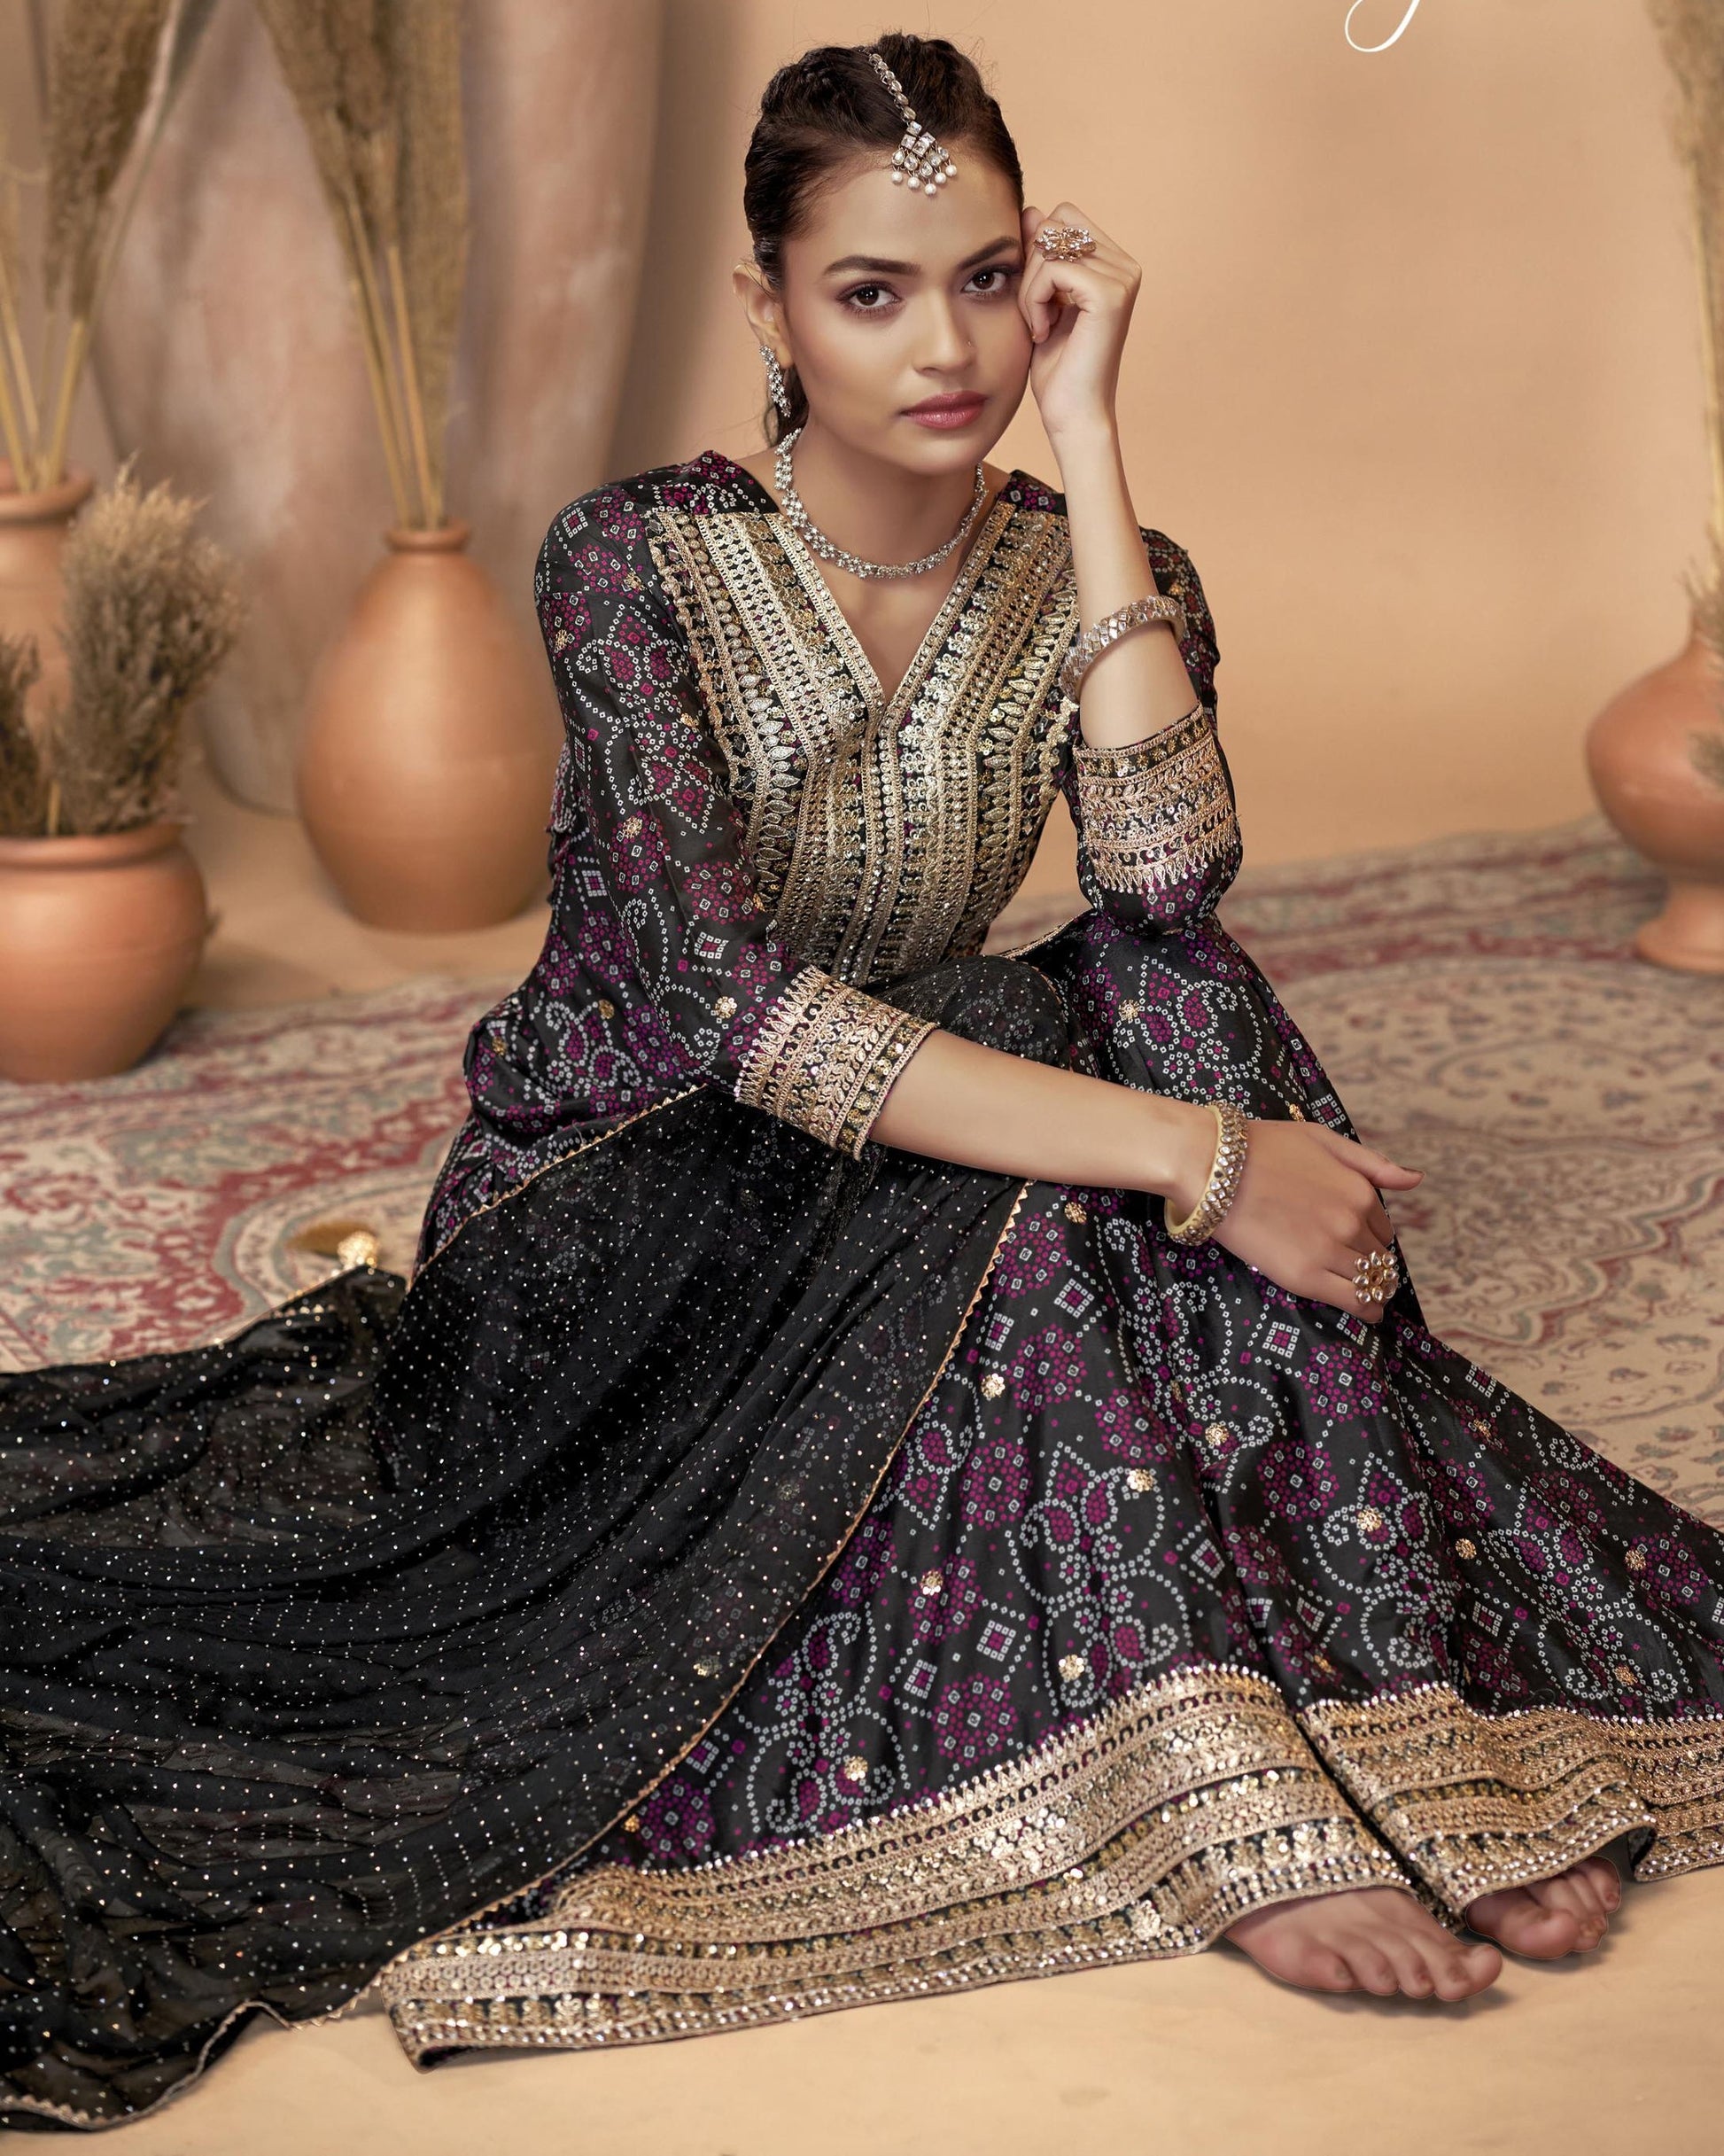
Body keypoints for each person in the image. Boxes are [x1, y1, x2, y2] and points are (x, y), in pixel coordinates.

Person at [1, 28, 1720, 2132]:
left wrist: (1092, 459)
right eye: (874, 292)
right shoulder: (633, 561)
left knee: (1156, 993)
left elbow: (1174, 887)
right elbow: (731, 1012)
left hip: (925, 1144)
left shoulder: (1106, 570)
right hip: (632, 1191)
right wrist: (1207, 1165)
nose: (947, 344)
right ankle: (1243, 1778)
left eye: (993, 280)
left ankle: (1387, 1714)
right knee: (1080, 1064)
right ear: (769, 309)